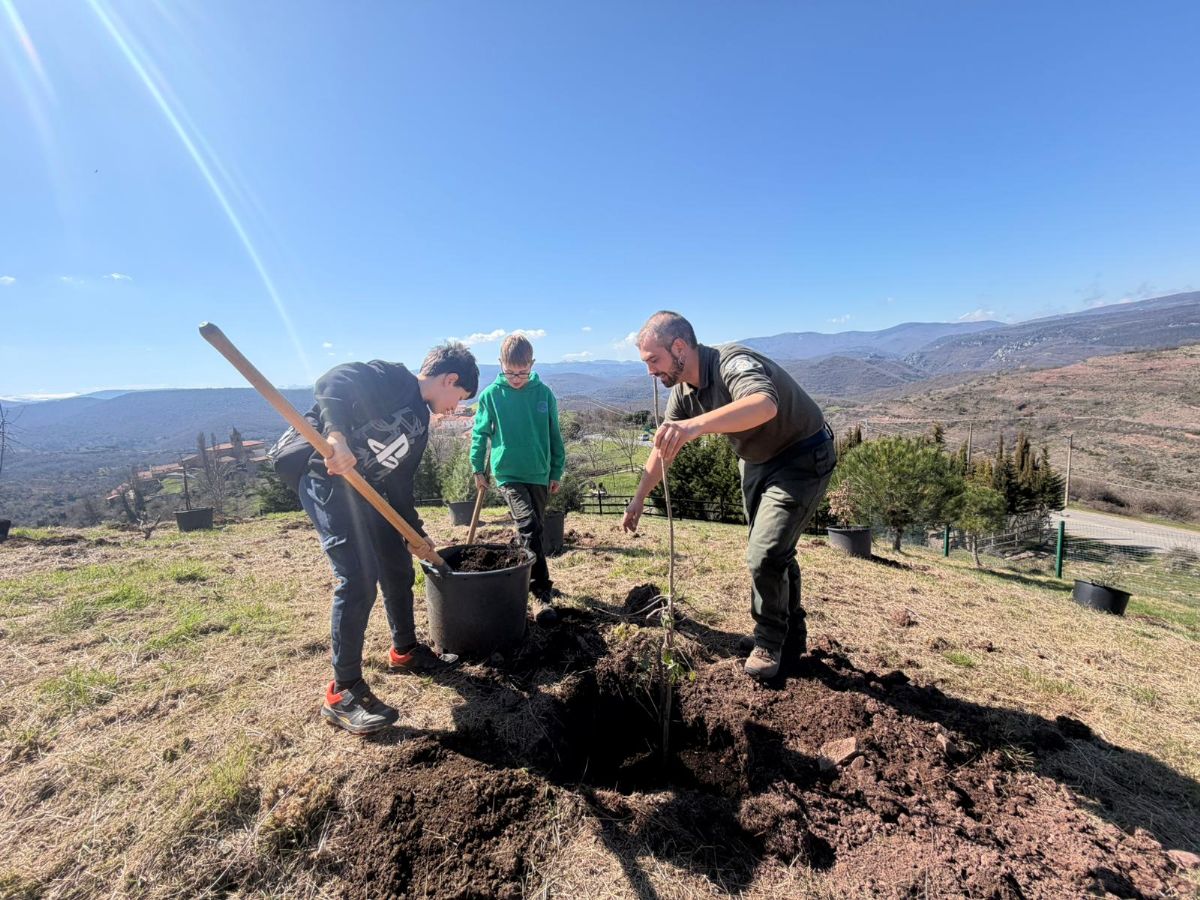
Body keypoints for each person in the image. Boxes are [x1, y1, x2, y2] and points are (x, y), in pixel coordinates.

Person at [270, 343, 479, 734]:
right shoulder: (395, 379)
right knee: (359, 577)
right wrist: (338, 439)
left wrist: (414, 535)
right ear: (450, 380)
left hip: (367, 490)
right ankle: (342, 691)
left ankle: (404, 650)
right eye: (459, 397)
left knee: (397, 565)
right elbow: (332, 382)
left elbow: (399, 487)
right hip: (325, 478)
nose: (455, 407)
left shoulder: (419, 428)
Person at [621, 311, 835, 680]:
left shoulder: (731, 362)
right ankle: (790, 637)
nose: (650, 372)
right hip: (756, 462)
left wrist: (693, 426)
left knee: (765, 553)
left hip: (801, 455)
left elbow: (765, 404)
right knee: (775, 552)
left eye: (653, 360)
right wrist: (639, 498)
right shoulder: (684, 394)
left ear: (679, 347)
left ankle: (769, 641)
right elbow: (662, 450)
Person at [470, 333, 566, 624]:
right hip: (507, 472)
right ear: (500, 364)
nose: (515, 378)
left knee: (531, 531)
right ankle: (540, 591)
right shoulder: (491, 395)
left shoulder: (543, 394)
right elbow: (480, 433)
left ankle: (516, 570)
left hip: (538, 471)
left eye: (522, 372)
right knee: (528, 524)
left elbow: (554, 434)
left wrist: (556, 470)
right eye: (509, 372)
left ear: (532, 364)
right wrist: (477, 467)